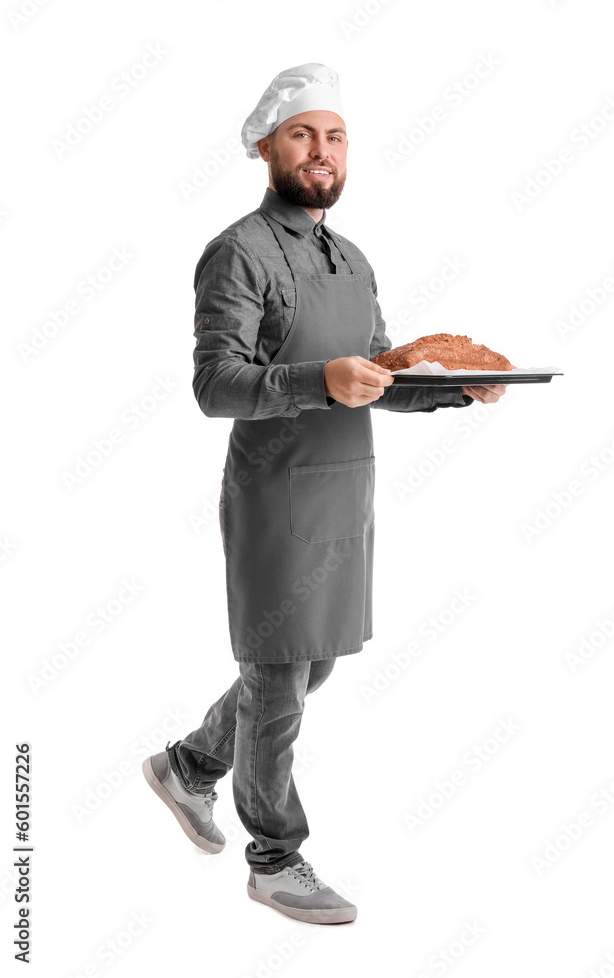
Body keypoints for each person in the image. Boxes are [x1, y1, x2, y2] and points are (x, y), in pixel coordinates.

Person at [142, 62, 507, 926]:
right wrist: (318, 379)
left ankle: (190, 765)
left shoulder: (349, 254)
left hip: (345, 490)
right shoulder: (237, 251)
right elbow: (215, 383)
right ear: (266, 146)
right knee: (277, 678)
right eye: (302, 134)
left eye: (334, 136)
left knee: (314, 663)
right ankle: (275, 855)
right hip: (274, 494)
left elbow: (374, 374)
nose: (321, 151)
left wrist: (456, 387)